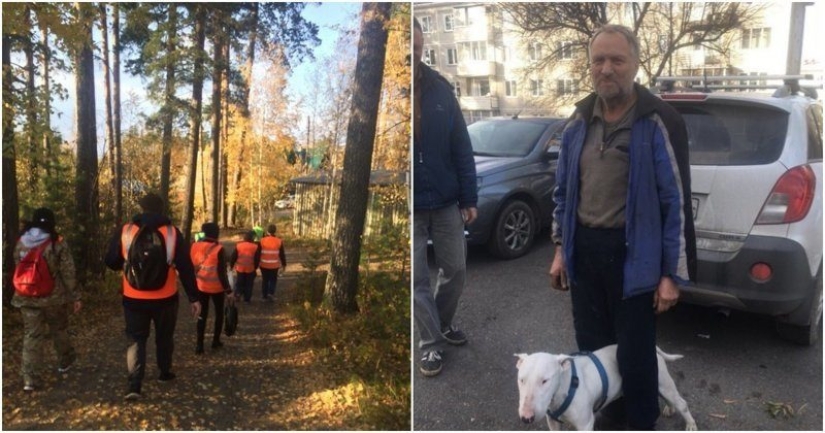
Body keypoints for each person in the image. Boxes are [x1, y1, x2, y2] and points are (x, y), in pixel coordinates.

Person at [549, 24, 696, 430]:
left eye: (617, 60)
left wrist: (670, 275)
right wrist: (561, 249)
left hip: (634, 259)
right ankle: (611, 414)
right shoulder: (578, 121)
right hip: (585, 257)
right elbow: (562, 193)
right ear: (590, 66)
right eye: (599, 60)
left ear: (634, 64)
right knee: (595, 350)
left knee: (634, 355)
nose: (607, 69)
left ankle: (640, 420)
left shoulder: (655, 121)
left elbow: (674, 203)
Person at [412, 17, 478, 378]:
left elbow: (461, 147)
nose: (413, 56)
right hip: (410, 208)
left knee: (455, 270)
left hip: (447, 201)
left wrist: (470, 198)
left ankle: (442, 324)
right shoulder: (389, 91)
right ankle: (431, 345)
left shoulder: (440, 90)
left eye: (418, 50)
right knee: (417, 281)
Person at [104, 193, 202, 401]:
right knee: (164, 337)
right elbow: (185, 267)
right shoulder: (172, 233)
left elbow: (111, 261)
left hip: (133, 297)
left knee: (136, 339)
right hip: (165, 298)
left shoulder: (126, 231)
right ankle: (164, 373)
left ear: (141, 208)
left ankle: (134, 385)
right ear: (161, 209)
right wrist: (194, 298)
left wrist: (126, 262)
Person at [12, 208, 82, 392]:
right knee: (59, 329)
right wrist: (75, 296)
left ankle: (30, 378)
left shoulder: (21, 241)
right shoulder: (56, 242)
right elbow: (68, 271)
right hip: (53, 297)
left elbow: (16, 265)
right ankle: (65, 361)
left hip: (26, 296)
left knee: (32, 336)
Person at [190, 222, 234, 353]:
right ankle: (215, 341)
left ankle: (199, 345)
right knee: (219, 314)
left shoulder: (194, 246)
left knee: (201, 315)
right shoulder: (219, 249)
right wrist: (229, 291)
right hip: (217, 288)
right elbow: (222, 273)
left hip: (200, 286)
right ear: (216, 233)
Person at [230, 230, 261, 303]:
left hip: (240, 268)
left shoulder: (239, 245)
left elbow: (233, 257)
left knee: (239, 282)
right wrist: (255, 267)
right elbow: (257, 259)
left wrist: (231, 265)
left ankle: (238, 294)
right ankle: (247, 299)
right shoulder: (255, 247)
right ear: (252, 238)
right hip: (250, 268)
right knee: (249, 284)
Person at [259, 224, 287, 302]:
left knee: (265, 280)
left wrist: (256, 263)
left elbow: (258, 253)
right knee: (273, 280)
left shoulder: (262, 240)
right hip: (274, 265)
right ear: (275, 231)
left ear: (267, 231)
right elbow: (282, 254)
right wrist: (284, 264)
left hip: (263, 265)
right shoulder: (279, 241)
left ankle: (264, 296)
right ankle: (271, 294)